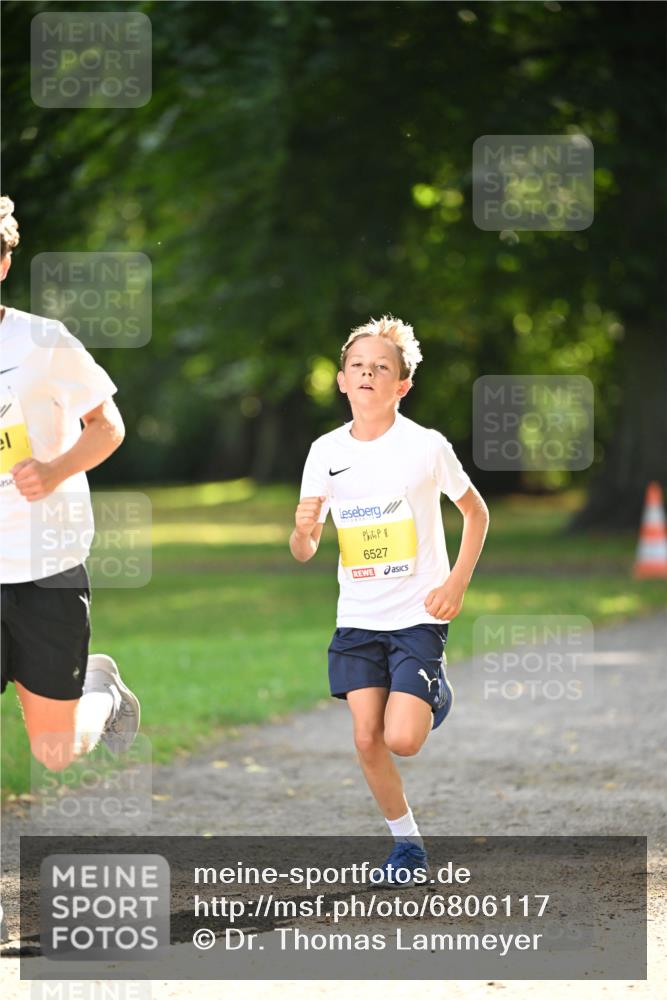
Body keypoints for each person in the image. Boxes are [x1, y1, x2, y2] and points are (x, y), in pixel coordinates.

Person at [290, 315, 489, 884]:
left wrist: (454, 584)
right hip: (357, 616)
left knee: (403, 739)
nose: (368, 374)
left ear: (402, 385)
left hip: (416, 615)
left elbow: (476, 512)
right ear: (341, 380)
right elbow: (303, 549)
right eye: (359, 366)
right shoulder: (324, 451)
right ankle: (407, 847)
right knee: (365, 736)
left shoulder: (425, 447)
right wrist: (303, 530)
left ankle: (432, 692)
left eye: (382, 367)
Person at [0, 195, 140, 771]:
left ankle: (102, 692)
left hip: (45, 566)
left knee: (54, 753)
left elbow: (108, 427)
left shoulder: (43, 342)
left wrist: (55, 469)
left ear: (3, 264)